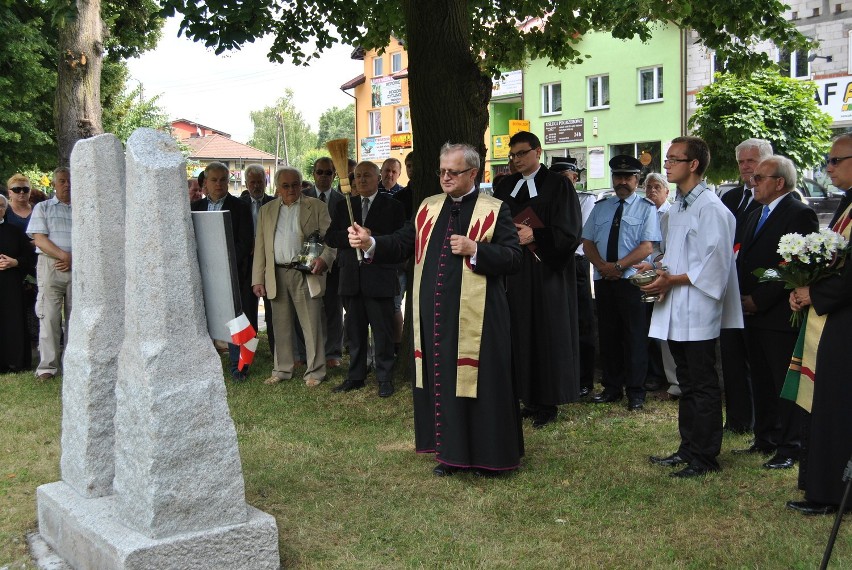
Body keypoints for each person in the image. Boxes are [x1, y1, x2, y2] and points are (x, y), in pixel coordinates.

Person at [349, 142, 523, 476]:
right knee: (442, 382)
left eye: (453, 172)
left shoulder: (493, 209)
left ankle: (490, 457)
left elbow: (514, 258)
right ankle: (450, 455)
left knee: (481, 384)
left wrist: (476, 250)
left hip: (482, 320)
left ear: (472, 173)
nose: (444, 177)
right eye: (441, 171)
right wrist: (370, 242)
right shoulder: (428, 207)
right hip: (436, 319)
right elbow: (401, 242)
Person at [645, 136, 741, 478]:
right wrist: (656, 268)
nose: (666, 164)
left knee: (702, 382)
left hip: (697, 307)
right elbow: (674, 254)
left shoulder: (712, 209)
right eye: (667, 159)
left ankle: (705, 455)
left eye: (674, 159)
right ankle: (687, 448)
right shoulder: (677, 208)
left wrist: (672, 280)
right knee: (686, 380)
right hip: (674, 305)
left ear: (694, 165)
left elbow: (715, 266)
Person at [493, 131, 583, 428]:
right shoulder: (505, 186)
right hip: (514, 272)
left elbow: (570, 230)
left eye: (521, 153)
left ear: (538, 152)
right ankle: (526, 397)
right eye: (513, 155)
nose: (516, 160)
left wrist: (537, 235)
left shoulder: (558, 185)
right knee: (518, 332)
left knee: (546, 333)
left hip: (546, 273)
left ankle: (548, 401)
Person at [737, 155, 818, 470]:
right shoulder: (755, 212)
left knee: (783, 381)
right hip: (751, 311)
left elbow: (796, 265)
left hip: (778, 314)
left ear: (779, 182)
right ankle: (765, 436)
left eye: (760, 177)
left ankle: (790, 445)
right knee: (760, 378)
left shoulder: (800, 213)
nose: (752, 182)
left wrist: (760, 299)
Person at [786, 134, 852, 515]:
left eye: (835, 160)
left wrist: (818, 294)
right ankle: (822, 486)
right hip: (835, 318)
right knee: (825, 401)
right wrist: (803, 286)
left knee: (838, 403)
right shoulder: (847, 202)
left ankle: (832, 493)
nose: (827, 167)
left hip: (845, 323)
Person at [582, 155, 659, 410]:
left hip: (631, 282)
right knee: (609, 335)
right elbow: (588, 242)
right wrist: (603, 267)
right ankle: (612, 387)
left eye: (628, 177)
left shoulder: (646, 208)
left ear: (637, 180)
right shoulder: (601, 206)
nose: (622, 182)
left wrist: (617, 267)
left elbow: (646, 246)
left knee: (635, 336)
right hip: (604, 280)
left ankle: (636, 391)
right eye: (618, 177)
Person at [326, 161, 405, 397]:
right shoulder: (344, 206)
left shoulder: (393, 206)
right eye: (357, 176)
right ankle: (356, 376)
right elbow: (331, 237)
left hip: (379, 279)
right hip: (351, 277)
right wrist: (348, 237)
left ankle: (384, 378)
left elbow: (398, 241)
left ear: (378, 178)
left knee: (382, 332)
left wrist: (372, 237)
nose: (361, 180)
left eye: (367, 176)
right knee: (356, 331)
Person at [252, 167, 336, 387]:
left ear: (302, 184)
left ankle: (315, 372)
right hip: (276, 273)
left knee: (311, 323)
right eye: (286, 185)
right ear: (278, 188)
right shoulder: (266, 210)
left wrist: (324, 260)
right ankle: (281, 369)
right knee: (280, 325)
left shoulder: (316, 206)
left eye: (295, 184)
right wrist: (257, 279)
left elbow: (332, 240)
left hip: (306, 274)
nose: (291, 189)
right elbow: (260, 247)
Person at [720, 139, 773, 433]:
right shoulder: (729, 199)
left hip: (758, 294)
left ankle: (761, 422)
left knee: (758, 362)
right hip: (729, 289)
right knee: (731, 359)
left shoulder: (774, 199)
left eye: (751, 161)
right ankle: (738, 420)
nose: (745, 167)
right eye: (741, 162)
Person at [191, 162, 254, 381]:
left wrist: (223, 261)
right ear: (205, 182)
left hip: (233, 273)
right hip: (205, 274)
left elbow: (245, 243)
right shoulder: (195, 208)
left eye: (223, 180)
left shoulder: (240, 207)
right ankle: (205, 364)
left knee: (235, 320)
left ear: (228, 181)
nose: (218, 184)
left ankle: (239, 367)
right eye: (214, 180)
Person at [552, 157, 595, 398]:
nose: (563, 183)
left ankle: (583, 379)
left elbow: (578, 234)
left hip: (576, 262)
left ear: (575, 178)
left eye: (567, 178)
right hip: (552, 262)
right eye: (558, 178)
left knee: (582, 323)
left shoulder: (585, 200)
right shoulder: (548, 200)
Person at [27, 167, 73, 381]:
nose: (67, 184)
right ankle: (48, 367)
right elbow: (39, 238)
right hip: (51, 266)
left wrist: (72, 258)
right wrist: (63, 255)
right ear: (54, 184)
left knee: (77, 318)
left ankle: (74, 363)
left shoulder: (83, 209)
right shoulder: (43, 208)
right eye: (62, 181)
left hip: (78, 267)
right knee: (49, 316)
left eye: (70, 180)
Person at [302, 158, 346, 368]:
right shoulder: (304, 198)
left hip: (335, 263)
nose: (323, 176)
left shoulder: (342, 200)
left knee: (333, 308)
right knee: (309, 308)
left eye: (328, 173)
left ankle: (333, 353)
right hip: (308, 261)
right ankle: (307, 352)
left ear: (334, 175)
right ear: (313, 174)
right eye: (320, 172)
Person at [642, 173, 675, 395]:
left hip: (664, 275)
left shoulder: (669, 214)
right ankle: (653, 374)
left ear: (666, 191)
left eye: (657, 187)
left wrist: (653, 261)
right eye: (648, 188)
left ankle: (669, 378)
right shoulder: (645, 212)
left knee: (664, 331)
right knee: (647, 329)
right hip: (643, 276)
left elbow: (665, 250)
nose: (652, 191)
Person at [241, 164, 276, 356]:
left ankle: (275, 350)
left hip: (269, 263)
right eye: (252, 182)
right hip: (247, 264)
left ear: (265, 182)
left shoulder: (274, 203)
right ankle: (248, 352)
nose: (256, 186)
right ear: (246, 184)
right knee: (247, 310)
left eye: (260, 182)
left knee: (273, 310)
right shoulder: (239, 205)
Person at [0, 194, 35, 372]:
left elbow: (29, 259)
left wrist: (15, 262)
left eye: (0, 206)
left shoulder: (14, 231)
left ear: (5, 210)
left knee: (12, 321)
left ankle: (15, 361)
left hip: (11, 284)